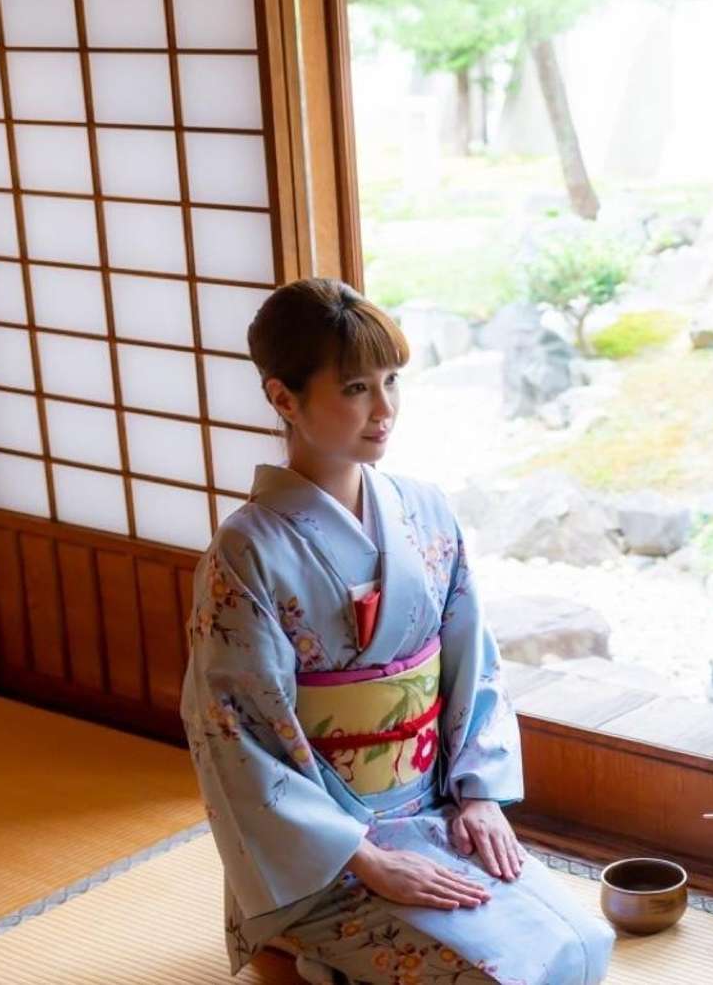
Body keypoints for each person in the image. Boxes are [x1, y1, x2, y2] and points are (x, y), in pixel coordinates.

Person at [181, 279, 613, 984]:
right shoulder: (245, 553)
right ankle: (301, 943)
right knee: (501, 977)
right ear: (283, 399)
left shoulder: (426, 511)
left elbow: (475, 664)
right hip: (319, 853)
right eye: (355, 388)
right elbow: (233, 737)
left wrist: (478, 795)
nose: (384, 410)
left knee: (582, 945)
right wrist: (367, 858)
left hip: (436, 808)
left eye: (391, 382)